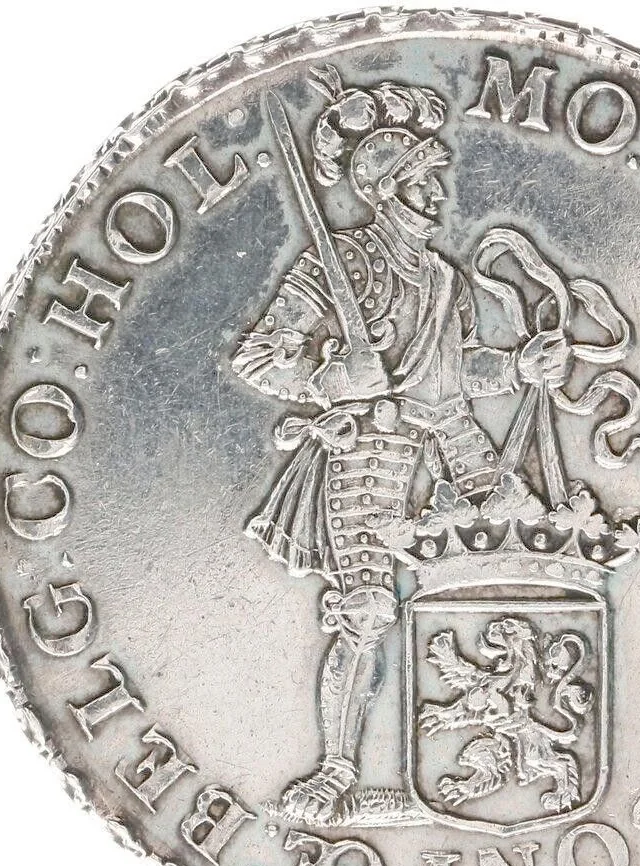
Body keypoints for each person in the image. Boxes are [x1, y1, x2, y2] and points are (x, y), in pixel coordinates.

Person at [233, 66, 571, 825]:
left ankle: (508, 748)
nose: (438, 195)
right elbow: (257, 358)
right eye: (422, 183)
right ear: (386, 191)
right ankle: (336, 771)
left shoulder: (444, 279)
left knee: (524, 557)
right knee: (365, 612)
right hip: (370, 455)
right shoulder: (341, 265)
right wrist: (329, 377)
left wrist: (518, 366)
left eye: (435, 181)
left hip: (452, 442)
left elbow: (456, 377)